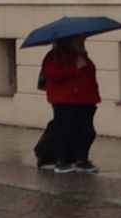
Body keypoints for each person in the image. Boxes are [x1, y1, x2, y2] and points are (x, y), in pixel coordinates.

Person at [40, 35, 101, 174]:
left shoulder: (81, 55)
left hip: (86, 99)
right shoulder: (54, 56)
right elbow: (53, 74)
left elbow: (90, 73)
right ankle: (61, 160)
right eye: (79, 40)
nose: (82, 42)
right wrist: (75, 68)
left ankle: (81, 159)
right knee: (65, 130)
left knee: (86, 131)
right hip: (66, 100)